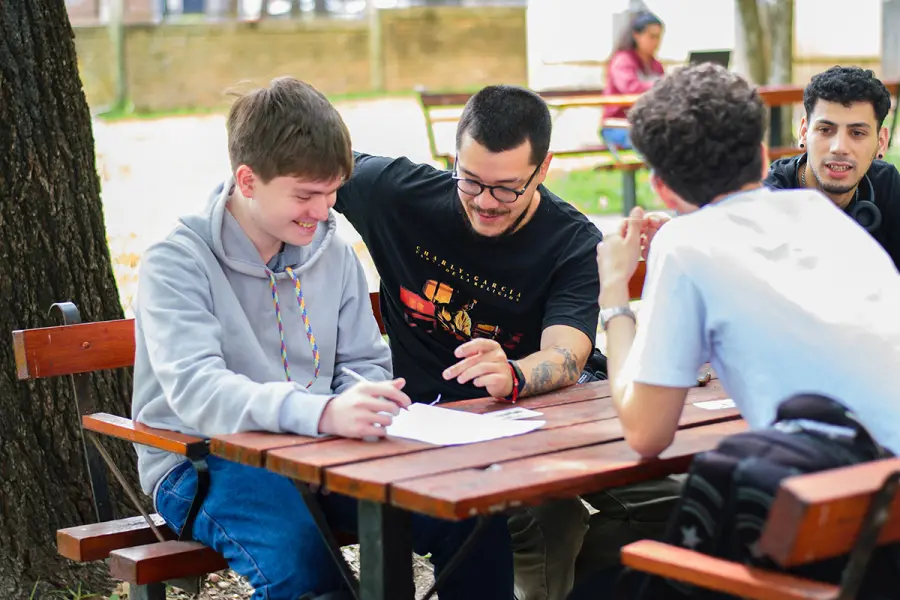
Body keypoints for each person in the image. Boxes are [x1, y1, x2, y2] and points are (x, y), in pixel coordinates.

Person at [131, 77, 514, 600]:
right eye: (306, 195)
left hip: (322, 449)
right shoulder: (177, 261)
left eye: (332, 192)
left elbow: (364, 362)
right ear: (248, 180)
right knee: (306, 566)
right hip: (202, 459)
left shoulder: (330, 251)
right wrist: (320, 417)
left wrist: (352, 409)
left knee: (473, 515)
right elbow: (198, 392)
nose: (323, 210)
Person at [334, 84, 681, 600]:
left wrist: (515, 373)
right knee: (548, 518)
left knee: (674, 501)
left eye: (506, 189)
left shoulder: (569, 240)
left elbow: (566, 353)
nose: (485, 202)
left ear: (543, 170)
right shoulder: (394, 193)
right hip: (438, 426)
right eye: (470, 181)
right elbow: (305, 160)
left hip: (550, 417)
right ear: (454, 158)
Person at [586, 62, 900, 594]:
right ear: (762, 154)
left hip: (831, 543)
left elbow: (645, 433)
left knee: (598, 583)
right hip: (875, 529)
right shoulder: (822, 215)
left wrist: (614, 292)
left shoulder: (685, 244)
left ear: (661, 186)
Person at [765, 66, 900, 270]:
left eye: (857, 133)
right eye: (825, 130)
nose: (839, 147)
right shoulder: (769, 197)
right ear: (804, 133)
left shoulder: (886, 183)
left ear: (881, 142)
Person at [600, 10, 665, 149]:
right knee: (653, 142)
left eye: (659, 37)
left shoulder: (656, 65)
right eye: (651, 36)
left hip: (648, 124)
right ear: (636, 35)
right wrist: (660, 85)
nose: (656, 42)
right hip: (617, 126)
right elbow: (630, 89)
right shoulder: (622, 61)